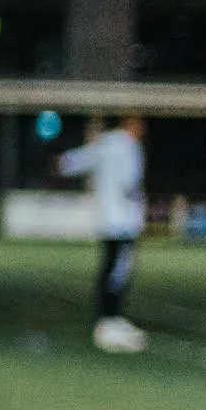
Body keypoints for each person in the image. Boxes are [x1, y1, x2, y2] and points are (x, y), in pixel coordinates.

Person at [57, 115, 147, 352]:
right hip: (123, 220)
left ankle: (109, 319)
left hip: (109, 220)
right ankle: (110, 321)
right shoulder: (127, 146)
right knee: (117, 272)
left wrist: (63, 162)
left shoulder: (106, 143)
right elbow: (130, 182)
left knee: (111, 269)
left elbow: (75, 161)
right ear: (130, 125)